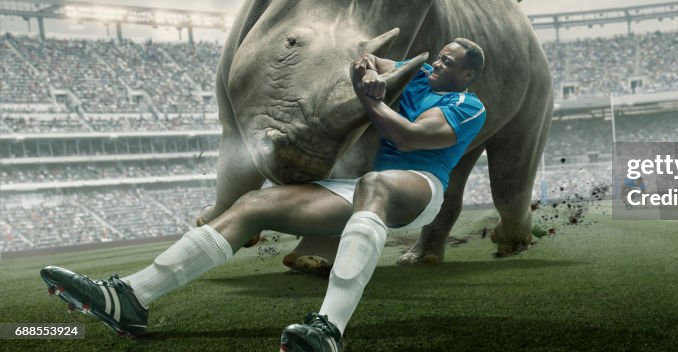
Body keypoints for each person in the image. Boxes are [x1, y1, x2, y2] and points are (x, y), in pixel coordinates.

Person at [41, 39, 488, 352]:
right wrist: (366, 68)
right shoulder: (419, 77)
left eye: (447, 63)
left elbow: (408, 137)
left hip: (419, 189)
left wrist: (370, 100)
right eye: (437, 58)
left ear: (466, 75)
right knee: (254, 205)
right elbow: (370, 60)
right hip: (366, 190)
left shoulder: (468, 106)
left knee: (375, 184)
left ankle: (328, 328)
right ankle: (129, 297)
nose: (434, 66)